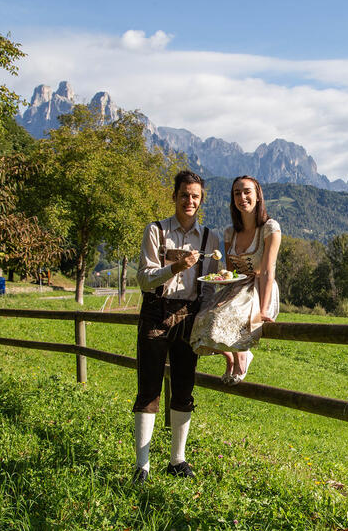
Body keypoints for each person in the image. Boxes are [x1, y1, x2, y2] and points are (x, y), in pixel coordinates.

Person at [131, 170, 220, 485]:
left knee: (184, 390)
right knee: (149, 389)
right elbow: (143, 277)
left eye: (196, 196)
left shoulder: (211, 238)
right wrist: (174, 268)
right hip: (156, 312)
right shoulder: (155, 231)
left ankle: (177, 460)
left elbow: (210, 286)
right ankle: (142, 466)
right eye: (185, 195)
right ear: (175, 196)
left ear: (201, 200)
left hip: (189, 316)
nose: (190, 201)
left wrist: (210, 320)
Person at [191, 175, 281, 384]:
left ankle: (242, 354)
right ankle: (231, 357)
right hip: (236, 287)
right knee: (201, 319)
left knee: (220, 318)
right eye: (237, 193)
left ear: (258, 195)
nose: (242, 197)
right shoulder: (230, 232)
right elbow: (230, 274)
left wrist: (265, 309)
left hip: (259, 289)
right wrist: (222, 292)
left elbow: (268, 271)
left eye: (247, 191)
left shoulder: (270, 228)